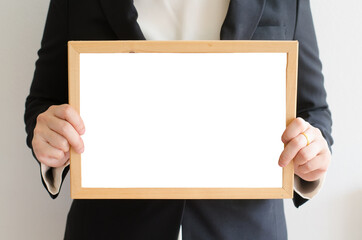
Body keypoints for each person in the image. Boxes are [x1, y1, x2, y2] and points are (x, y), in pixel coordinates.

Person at [24, 0, 333, 239]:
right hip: (111, 228)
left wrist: (310, 152)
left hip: (245, 229)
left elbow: (313, 111)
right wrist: (49, 136)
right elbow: (44, 101)